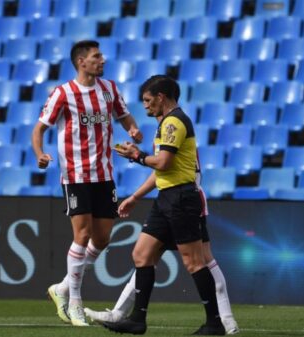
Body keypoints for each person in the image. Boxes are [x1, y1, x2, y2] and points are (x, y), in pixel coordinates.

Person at [85, 79, 239, 335]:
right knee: (142, 254)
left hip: (181, 198)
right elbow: (161, 170)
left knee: (195, 262)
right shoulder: (165, 124)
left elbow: (164, 163)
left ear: (161, 97)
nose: (145, 106)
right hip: (166, 197)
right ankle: (137, 319)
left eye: (147, 100)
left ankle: (215, 323)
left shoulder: (174, 122)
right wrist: (135, 196)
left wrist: (138, 156)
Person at [32, 40, 142, 326]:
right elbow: (39, 128)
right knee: (82, 235)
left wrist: (132, 127)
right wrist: (40, 153)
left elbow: (124, 115)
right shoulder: (63, 93)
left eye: (101, 56)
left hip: (104, 174)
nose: (102, 60)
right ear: (81, 61)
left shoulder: (109, 89)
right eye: (96, 56)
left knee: (102, 238)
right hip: (76, 174)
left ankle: (62, 288)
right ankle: (75, 303)